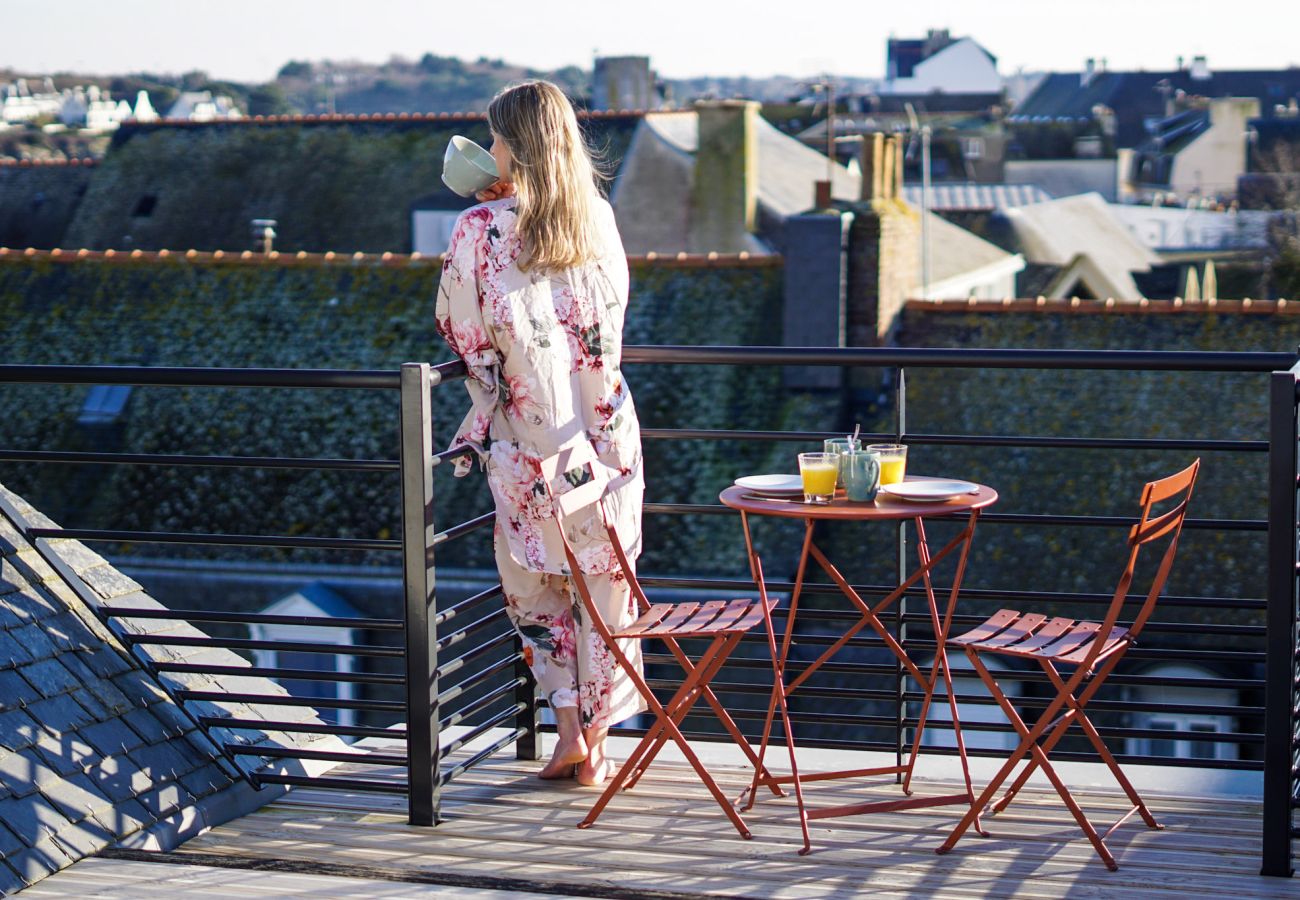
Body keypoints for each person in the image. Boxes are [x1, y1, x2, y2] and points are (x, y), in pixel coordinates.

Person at [434, 81, 644, 787]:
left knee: (535, 590)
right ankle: (602, 743)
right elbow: (609, 328)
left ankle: (566, 737)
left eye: (495, 138)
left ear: (514, 147)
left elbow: (461, 333)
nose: (489, 148)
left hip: (529, 437)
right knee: (605, 587)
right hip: (604, 438)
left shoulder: (479, 230)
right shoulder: (601, 221)